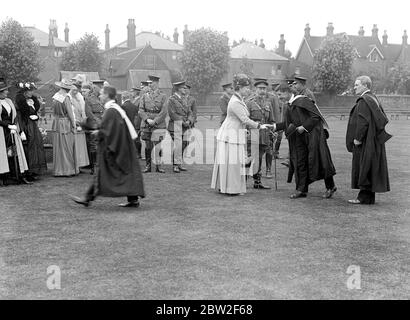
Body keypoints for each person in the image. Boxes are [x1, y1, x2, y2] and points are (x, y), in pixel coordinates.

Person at [71, 86, 145, 208]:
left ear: (106, 95)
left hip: (116, 147)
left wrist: (98, 133)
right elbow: (112, 128)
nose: (99, 96)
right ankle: (133, 200)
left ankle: (87, 198)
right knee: (127, 172)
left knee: (103, 172)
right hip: (123, 146)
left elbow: (109, 130)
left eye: (101, 94)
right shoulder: (115, 109)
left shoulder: (111, 110)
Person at [272, 79, 337, 199]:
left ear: (286, 92)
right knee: (300, 161)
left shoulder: (303, 101)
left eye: (280, 94)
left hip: (313, 137)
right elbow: (288, 123)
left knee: (320, 161)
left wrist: (304, 127)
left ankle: (331, 186)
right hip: (299, 139)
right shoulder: (290, 105)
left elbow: (315, 117)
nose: (279, 97)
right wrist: (275, 126)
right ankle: (301, 189)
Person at [211, 74, 272, 195]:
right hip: (230, 135)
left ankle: (226, 187)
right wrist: (260, 126)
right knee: (232, 163)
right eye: (245, 87)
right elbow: (244, 119)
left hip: (235, 133)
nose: (248, 90)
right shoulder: (235, 102)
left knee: (232, 162)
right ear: (239, 87)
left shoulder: (239, 100)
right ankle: (230, 189)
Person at [346, 76, 391, 204]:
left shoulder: (364, 100)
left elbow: (363, 122)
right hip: (373, 139)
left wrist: (358, 138)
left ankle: (363, 197)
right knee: (370, 166)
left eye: (357, 85)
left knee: (364, 166)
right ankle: (368, 198)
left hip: (366, 140)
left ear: (365, 85)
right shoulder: (373, 98)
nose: (354, 87)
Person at [245, 79, 275, 189]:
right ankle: (242, 180)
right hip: (252, 134)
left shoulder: (268, 103)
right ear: (255, 89)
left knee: (259, 158)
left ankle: (257, 182)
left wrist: (272, 131)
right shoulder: (249, 102)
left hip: (264, 136)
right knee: (250, 158)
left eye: (264, 89)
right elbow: (245, 119)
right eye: (260, 88)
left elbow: (271, 120)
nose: (262, 91)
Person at [0, 79, 30, 185]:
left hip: (13, 130)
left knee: (14, 152)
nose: (7, 92)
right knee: (4, 153)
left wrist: (20, 130)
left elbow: (15, 117)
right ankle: (4, 177)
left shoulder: (9, 101)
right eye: (5, 91)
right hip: (2, 131)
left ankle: (16, 175)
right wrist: (8, 126)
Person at [15, 82, 47, 180]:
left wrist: (36, 116)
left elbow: (35, 111)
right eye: (30, 90)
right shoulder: (20, 101)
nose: (32, 92)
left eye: (32, 91)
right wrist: (21, 130)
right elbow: (20, 116)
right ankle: (27, 171)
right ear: (25, 91)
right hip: (25, 125)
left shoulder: (32, 100)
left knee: (36, 145)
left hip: (33, 125)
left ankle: (35, 170)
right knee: (28, 146)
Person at [138, 75, 167, 173]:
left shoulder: (163, 96)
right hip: (147, 125)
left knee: (158, 145)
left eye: (151, 83)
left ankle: (158, 166)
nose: (150, 85)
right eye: (149, 83)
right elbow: (140, 110)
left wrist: (155, 121)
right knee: (148, 146)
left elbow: (164, 111)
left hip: (158, 124)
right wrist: (147, 120)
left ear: (157, 83)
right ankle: (148, 166)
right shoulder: (144, 95)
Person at [51, 79, 78, 177]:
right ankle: (67, 170)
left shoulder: (55, 97)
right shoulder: (66, 98)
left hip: (57, 123)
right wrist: (74, 125)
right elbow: (70, 114)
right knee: (67, 147)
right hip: (65, 123)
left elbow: (54, 112)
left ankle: (59, 170)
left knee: (59, 147)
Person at [167, 81, 194, 173]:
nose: (185, 90)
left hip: (185, 126)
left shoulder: (184, 99)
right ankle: (175, 165)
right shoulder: (171, 100)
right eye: (183, 88)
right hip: (175, 126)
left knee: (183, 144)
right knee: (178, 145)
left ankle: (179, 163)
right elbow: (172, 114)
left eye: (185, 88)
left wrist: (189, 120)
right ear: (178, 89)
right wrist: (183, 122)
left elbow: (190, 112)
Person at [83, 84, 104, 174]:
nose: (101, 89)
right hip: (94, 123)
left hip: (102, 122)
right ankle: (94, 167)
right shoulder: (89, 99)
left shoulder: (101, 98)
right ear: (95, 88)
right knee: (93, 145)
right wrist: (97, 120)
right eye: (100, 87)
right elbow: (88, 113)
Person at [69, 84, 90, 171]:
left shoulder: (79, 99)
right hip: (74, 123)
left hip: (81, 122)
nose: (75, 92)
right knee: (75, 145)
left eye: (76, 90)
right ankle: (75, 164)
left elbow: (83, 110)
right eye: (73, 90)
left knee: (81, 145)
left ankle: (81, 163)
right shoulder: (69, 99)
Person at [264, 82, 281, 179]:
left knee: (269, 150)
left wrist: (276, 127)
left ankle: (268, 170)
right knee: (254, 151)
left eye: (264, 87)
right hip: (255, 128)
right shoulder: (251, 98)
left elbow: (276, 113)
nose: (262, 90)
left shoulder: (272, 97)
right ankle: (254, 173)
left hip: (268, 128)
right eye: (259, 87)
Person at [131, 86, 143, 159]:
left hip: (137, 122)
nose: (131, 93)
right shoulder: (134, 100)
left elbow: (139, 113)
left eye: (132, 91)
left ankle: (138, 153)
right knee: (135, 138)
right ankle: (136, 153)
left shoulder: (139, 100)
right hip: (134, 121)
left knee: (137, 139)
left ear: (136, 92)